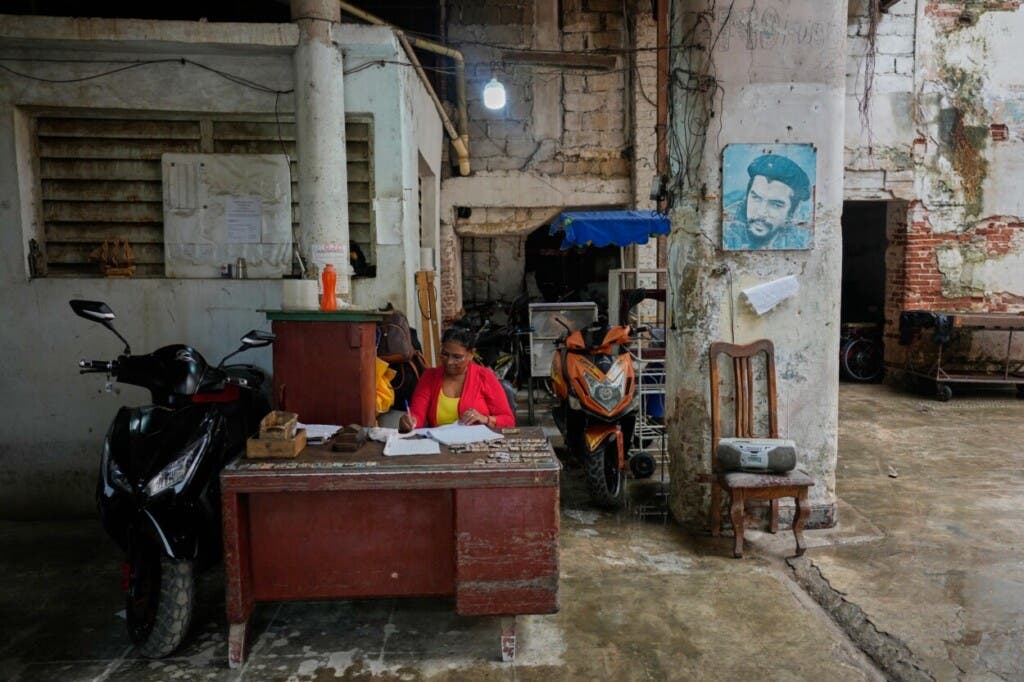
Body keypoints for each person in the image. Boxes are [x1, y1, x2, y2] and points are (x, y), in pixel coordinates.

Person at [398, 327, 515, 432]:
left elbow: (508, 421)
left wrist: (485, 419)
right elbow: (417, 414)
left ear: (471, 354)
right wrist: (410, 421)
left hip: (477, 448)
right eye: (444, 354)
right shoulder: (430, 377)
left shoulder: (484, 377)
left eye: (457, 357)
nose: (449, 362)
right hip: (440, 447)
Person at [723, 153, 812, 250]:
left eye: (775, 205)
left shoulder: (803, 240)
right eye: (756, 198)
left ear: (792, 212)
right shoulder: (724, 231)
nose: (761, 213)